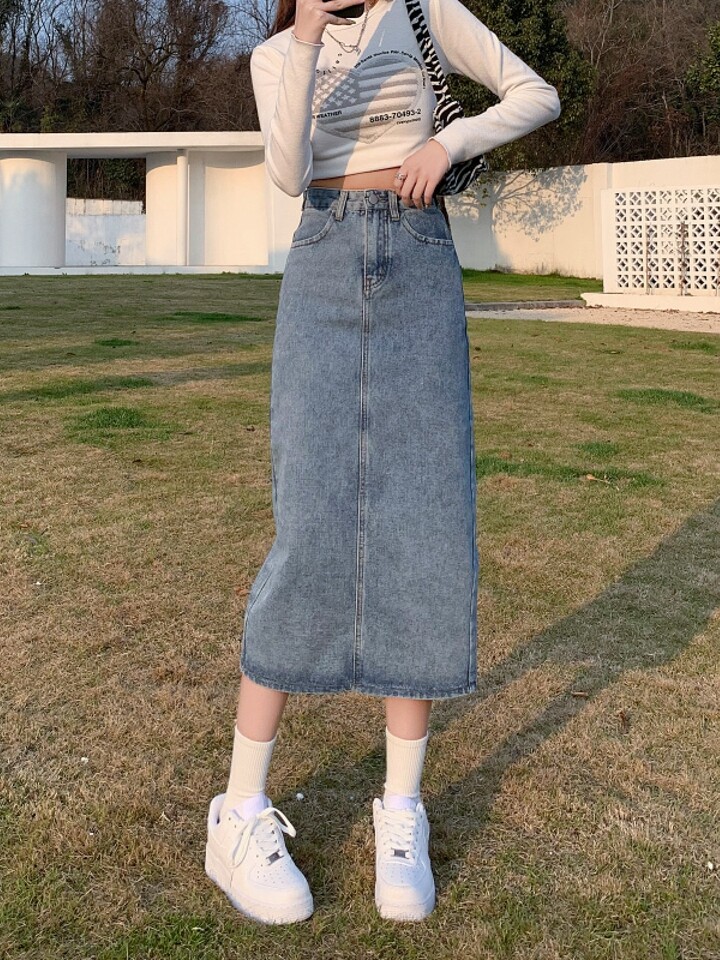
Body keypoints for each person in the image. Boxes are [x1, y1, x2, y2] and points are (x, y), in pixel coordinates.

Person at [205, 0, 561, 925]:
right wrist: (307, 34)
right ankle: (238, 810)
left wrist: (448, 143)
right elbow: (288, 172)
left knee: (425, 522)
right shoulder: (276, 54)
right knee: (308, 522)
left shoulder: (425, 11)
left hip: (419, 254)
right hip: (322, 256)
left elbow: (537, 93)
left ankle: (402, 811)